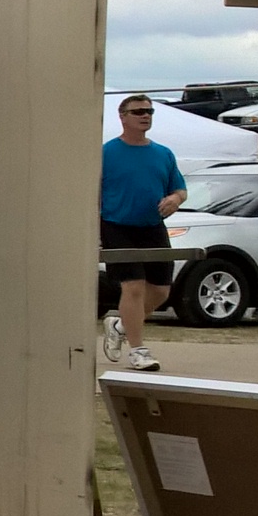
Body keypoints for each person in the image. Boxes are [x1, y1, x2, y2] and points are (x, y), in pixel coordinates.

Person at [102, 94, 188, 372]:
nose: (145, 116)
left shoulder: (163, 154)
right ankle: (138, 350)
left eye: (149, 111)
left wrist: (175, 199)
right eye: (138, 111)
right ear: (123, 117)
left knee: (161, 291)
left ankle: (120, 325)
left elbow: (180, 189)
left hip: (152, 226)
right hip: (116, 224)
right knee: (134, 286)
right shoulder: (106, 153)